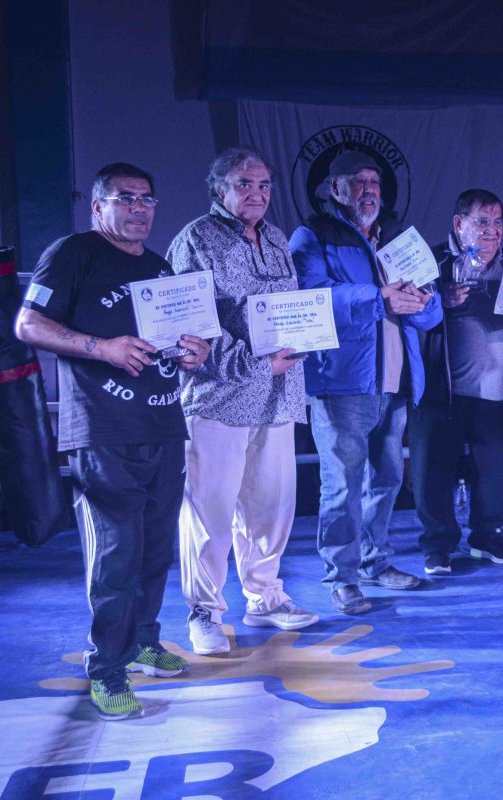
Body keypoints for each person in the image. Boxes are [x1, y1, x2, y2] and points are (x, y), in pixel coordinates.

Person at [15, 162, 210, 719]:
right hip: (102, 430)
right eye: (126, 198)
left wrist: (194, 353)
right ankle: (106, 666)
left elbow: (181, 341)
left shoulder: (158, 266)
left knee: (155, 547)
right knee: (117, 552)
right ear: (97, 206)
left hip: (162, 424)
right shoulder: (73, 253)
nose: (139, 208)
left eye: (147, 199)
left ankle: (144, 640)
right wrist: (102, 348)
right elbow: (28, 324)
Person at [168, 147, 318, 655]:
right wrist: (256, 365)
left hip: (277, 395)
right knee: (209, 511)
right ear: (219, 190)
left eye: (264, 185)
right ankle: (204, 612)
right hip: (219, 396)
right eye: (244, 184)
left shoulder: (275, 238)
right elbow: (193, 326)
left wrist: (303, 338)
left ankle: (265, 596)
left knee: (271, 504)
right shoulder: (195, 239)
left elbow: (289, 312)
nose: (257, 193)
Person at [290, 150, 441, 615]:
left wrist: (424, 302)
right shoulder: (313, 235)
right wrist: (380, 297)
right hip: (342, 383)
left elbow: (431, 313)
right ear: (334, 189)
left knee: (386, 481)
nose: (369, 190)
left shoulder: (397, 237)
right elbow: (312, 296)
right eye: (357, 182)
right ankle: (342, 576)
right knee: (342, 486)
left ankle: (376, 562)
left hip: (395, 382)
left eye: (374, 182)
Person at [411, 189, 503, 575]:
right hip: (441, 390)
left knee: (492, 471)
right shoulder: (431, 263)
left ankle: (487, 537)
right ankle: (438, 545)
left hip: (496, 391)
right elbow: (407, 315)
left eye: (498, 222)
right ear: (459, 224)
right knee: (434, 471)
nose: (492, 230)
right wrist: (439, 300)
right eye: (482, 221)